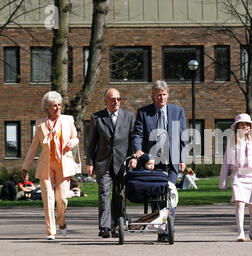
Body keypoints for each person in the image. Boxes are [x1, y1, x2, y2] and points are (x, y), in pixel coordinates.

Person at [22, 91, 81, 240]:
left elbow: (75, 137)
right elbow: (33, 147)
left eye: (59, 105)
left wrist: (72, 142)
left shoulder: (68, 120)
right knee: (48, 198)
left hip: (63, 163)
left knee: (61, 199)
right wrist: (25, 167)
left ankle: (61, 221)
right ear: (47, 108)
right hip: (46, 165)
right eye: (54, 106)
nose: (58, 108)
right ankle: (51, 231)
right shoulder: (40, 124)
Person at [133, 80, 187, 242]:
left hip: (172, 161)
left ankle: (166, 228)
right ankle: (160, 226)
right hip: (152, 161)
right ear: (153, 96)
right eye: (158, 95)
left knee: (169, 194)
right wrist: (137, 149)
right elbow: (138, 134)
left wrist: (183, 159)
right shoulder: (144, 112)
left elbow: (183, 137)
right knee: (156, 194)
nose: (161, 98)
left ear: (167, 95)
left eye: (164, 95)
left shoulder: (177, 112)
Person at [86, 88, 137, 239]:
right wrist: (89, 162)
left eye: (118, 99)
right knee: (104, 194)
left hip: (122, 164)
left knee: (119, 195)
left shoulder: (128, 116)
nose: (116, 102)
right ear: (105, 101)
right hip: (103, 163)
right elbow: (92, 143)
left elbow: (133, 139)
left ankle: (117, 226)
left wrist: (134, 157)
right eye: (112, 99)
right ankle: (105, 227)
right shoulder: (97, 118)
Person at [219, 113, 252, 242]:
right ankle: (240, 231)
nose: (245, 126)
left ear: (250, 127)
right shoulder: (232, 142)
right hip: (237, 175)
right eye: (242, 124)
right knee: (240, 203)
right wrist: (223, 181)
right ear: (237, 126)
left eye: (247, 124)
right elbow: (226, 162)